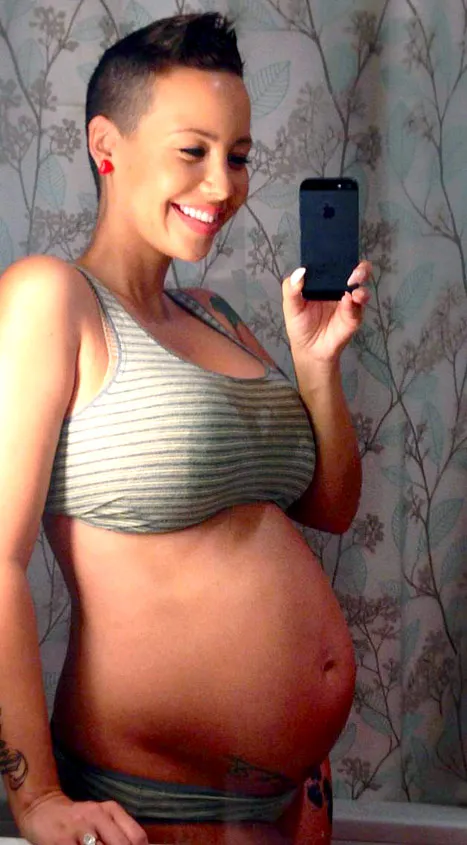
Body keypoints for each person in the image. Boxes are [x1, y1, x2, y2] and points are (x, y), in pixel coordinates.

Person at [0, 12, 371, 845]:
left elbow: (331, 507)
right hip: (153, 805)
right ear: (107, 145)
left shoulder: (216, 314)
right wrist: (36, 795)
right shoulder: (50, 298)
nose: (221, 186)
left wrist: (315, 363)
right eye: (192, 151)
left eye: (237, 156)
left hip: (292, 804)